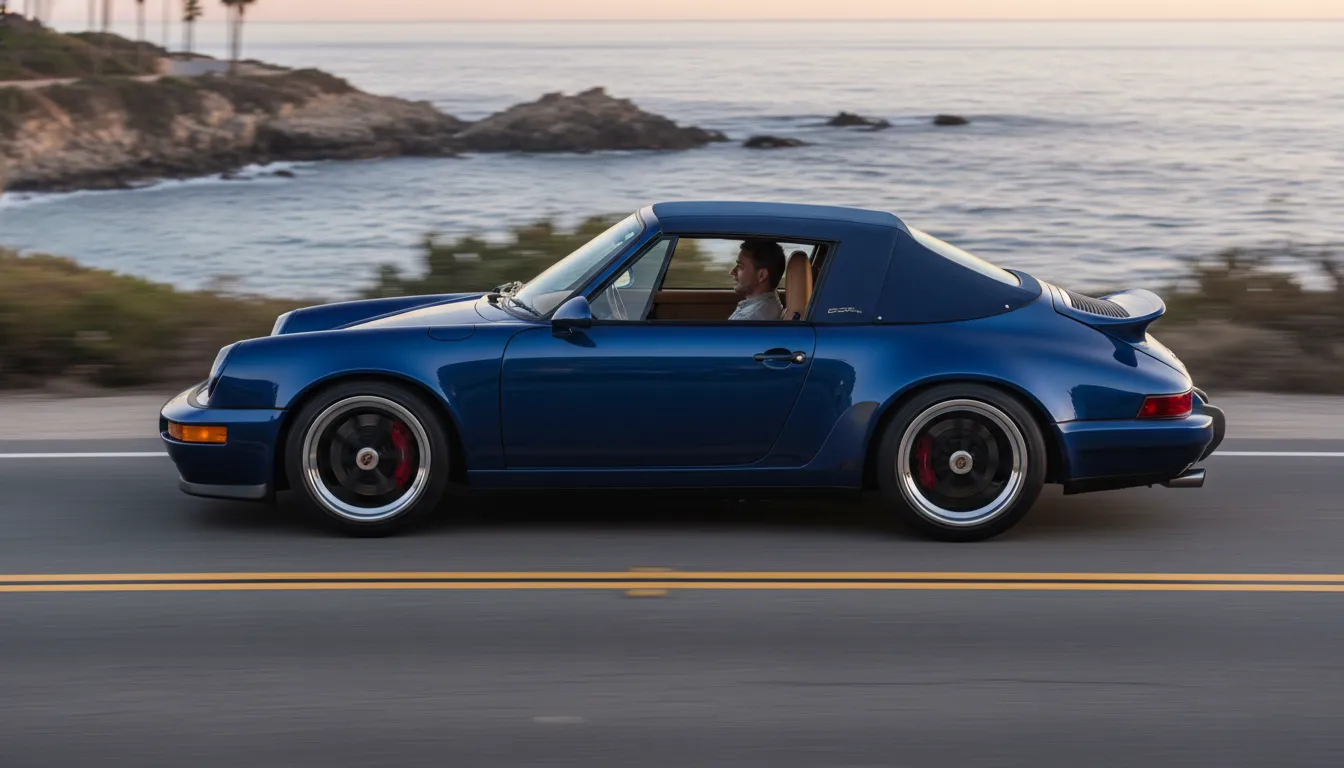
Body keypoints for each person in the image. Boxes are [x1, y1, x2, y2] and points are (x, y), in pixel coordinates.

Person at [728, 239, 785, 320]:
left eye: (740, 266)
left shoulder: (749, 318)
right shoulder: (770, 302)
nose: (732, 272)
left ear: (761, 275)